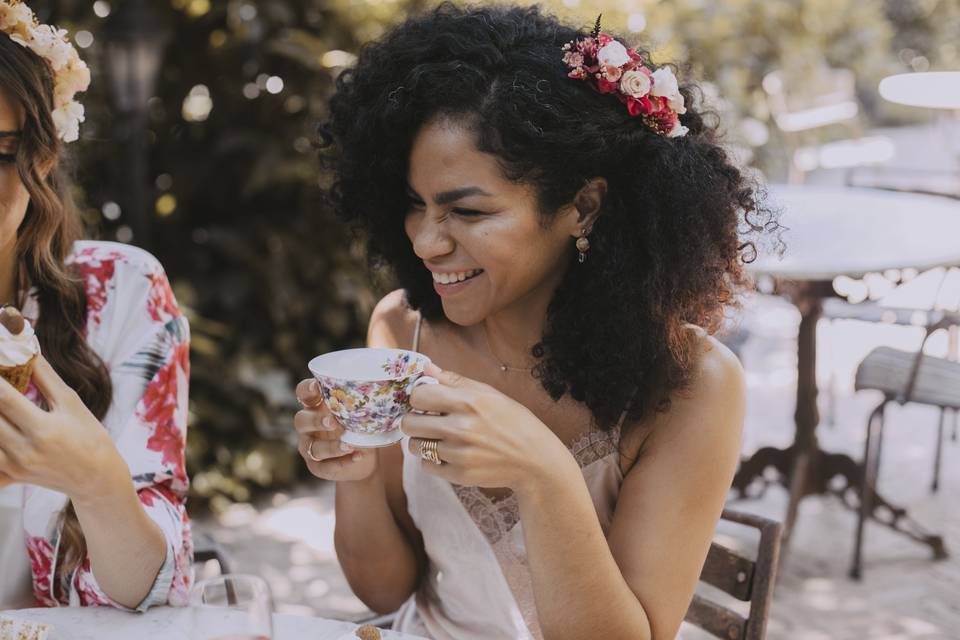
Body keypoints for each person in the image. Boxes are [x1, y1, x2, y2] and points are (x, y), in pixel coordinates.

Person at [294, 4, 775, 638]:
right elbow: (385, 590)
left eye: (466, 212)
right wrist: (353, 473)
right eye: (415, 206)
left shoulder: (691, 385)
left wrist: (541, 472)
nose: (425, 243)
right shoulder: (403, 331)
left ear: (582, 206)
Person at [0, 1, 192, 610]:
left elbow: (146, 598)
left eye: (1, 152)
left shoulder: (121, 293)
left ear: (43, 158)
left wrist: (95, 480)